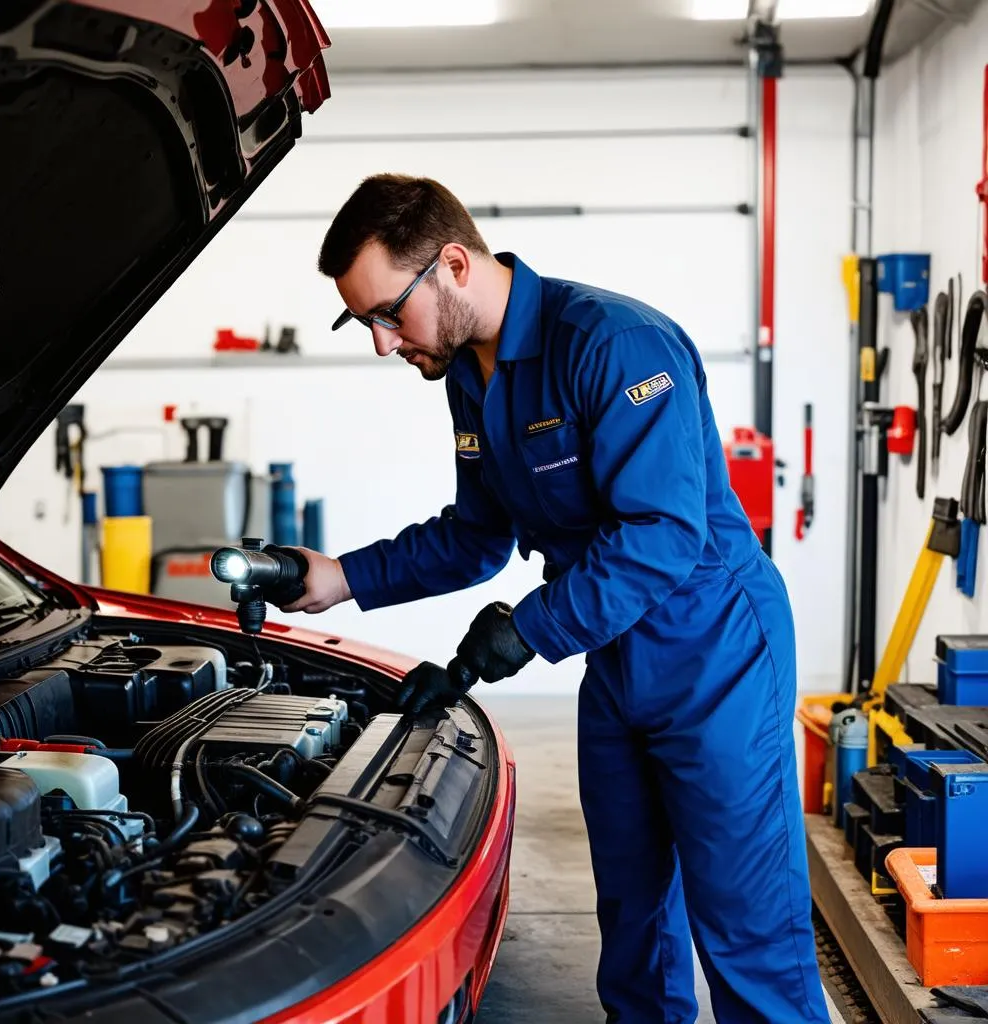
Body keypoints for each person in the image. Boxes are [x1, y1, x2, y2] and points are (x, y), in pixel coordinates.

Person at [281, 173, 831, 1024]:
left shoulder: (615, 345)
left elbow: (663, 538)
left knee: (746, 930)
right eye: (366, 323)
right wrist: (339, 577)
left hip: (714, 647)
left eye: (389, 313)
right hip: (615, 657)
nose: (384, 344)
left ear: (453, 264)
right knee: (634, 917)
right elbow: (477, 535)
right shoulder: (472, 376)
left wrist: (529, 629)